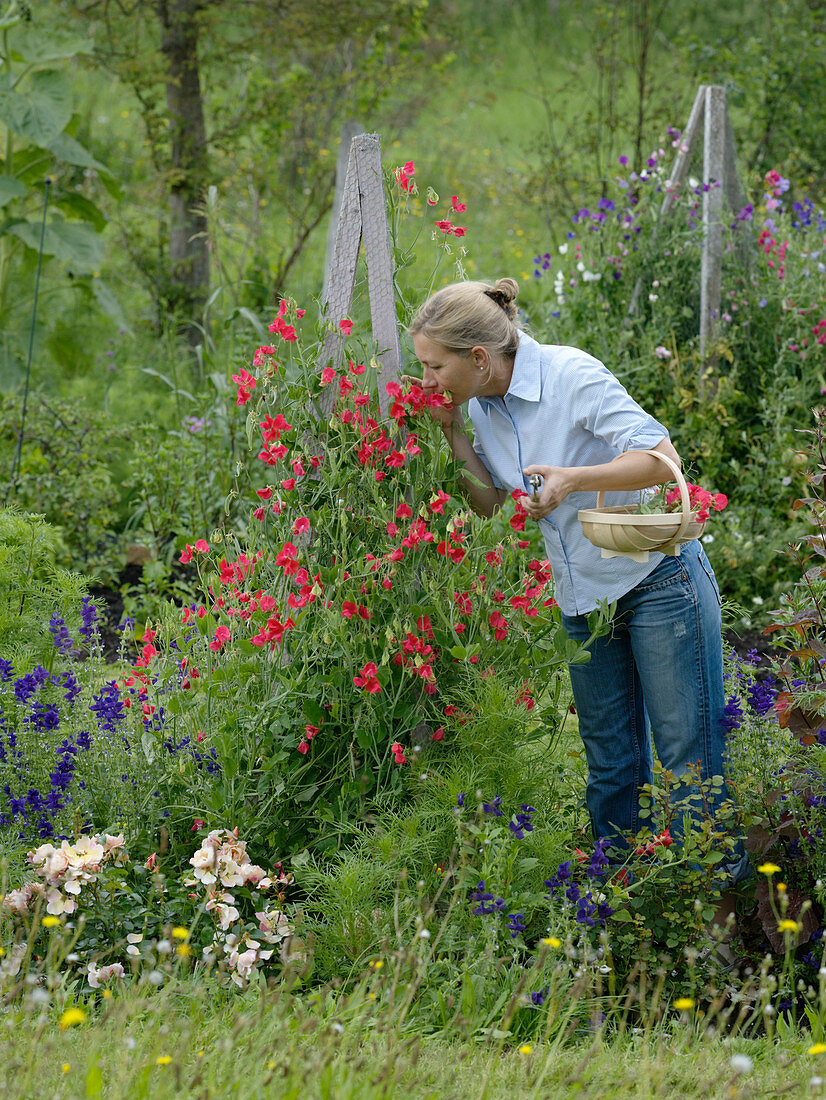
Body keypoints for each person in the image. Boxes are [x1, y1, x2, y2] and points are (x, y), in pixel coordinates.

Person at [409, 276, 751, 919]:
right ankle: (628, 918)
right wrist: (452, 430)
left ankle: (712, 925)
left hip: (658, 582)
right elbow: (486, 504)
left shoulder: (571, 376)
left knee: (687, 760)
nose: (427, 379)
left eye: (435, 367)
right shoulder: (483, 407)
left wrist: (573, 480)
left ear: (478, 358)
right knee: (612, 767)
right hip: (583, 600)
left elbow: (660, 457)